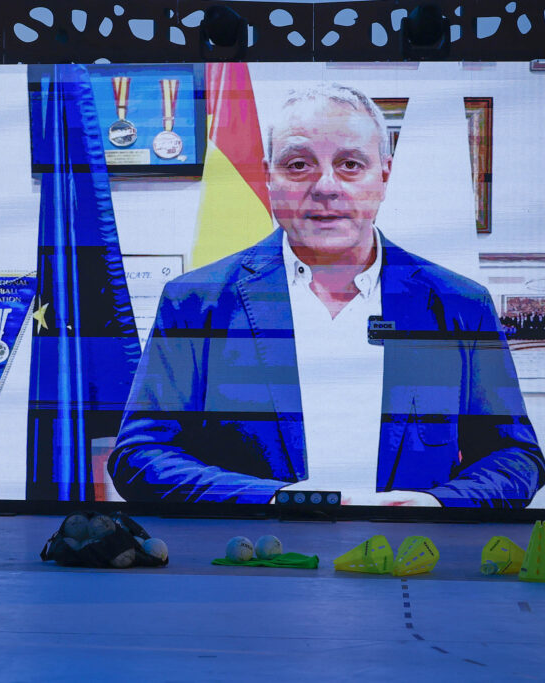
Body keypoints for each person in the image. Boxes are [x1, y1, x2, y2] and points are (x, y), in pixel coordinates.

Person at [109, 82, 545, 508]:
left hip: (409, 566)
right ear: (268, 177)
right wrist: (274, 501)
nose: (326, 186)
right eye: (298, 165)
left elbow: (515, 458)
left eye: (351, 164)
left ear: (384, 176)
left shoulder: (459, 304)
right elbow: (140, 455)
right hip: (251, 566)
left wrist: (437, 505)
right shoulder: (196, 302)